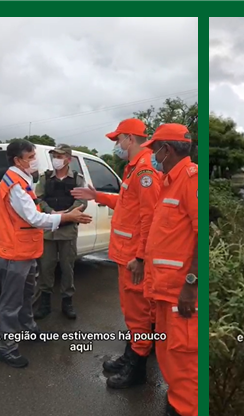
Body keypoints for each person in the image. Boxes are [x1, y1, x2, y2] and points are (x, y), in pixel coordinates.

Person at [71, 118, 161, 389]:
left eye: (118, 139)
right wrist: (96, 195)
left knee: (139, 314)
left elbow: (150, 216)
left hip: (134, 256)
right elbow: (125, 202)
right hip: (126, 254)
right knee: (133, 312)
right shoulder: (133, 168)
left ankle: (136, 370)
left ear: (130, 139)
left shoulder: (145, 171)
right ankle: (131, 355)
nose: (116, 145)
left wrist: (142, 257)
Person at [0, 140, 92, 368]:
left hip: (26, 249)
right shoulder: (15, 184)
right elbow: (34, 217)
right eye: (30, 157)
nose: (34, 160)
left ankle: (28, 329)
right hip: (14, 251)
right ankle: (6, 347)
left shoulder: (24, 178)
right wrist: (66, 217)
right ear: (18, 160)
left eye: (34, 156)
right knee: (11, 302)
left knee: (27, 295)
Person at [140, 123, 198, 416]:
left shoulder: (191, 180)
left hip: (181, 294)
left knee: (185, 361)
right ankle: (175, 412)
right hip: (164, 291)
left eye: (155, 149)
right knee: (168, 355)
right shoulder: (168, 182)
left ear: (168, 150)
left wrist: (191, 286)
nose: (153, 155)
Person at [33, 144, 87, 320]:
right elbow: (38, 198)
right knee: (46, 267)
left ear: (68, 159)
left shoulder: (77, 179)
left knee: (67, 267)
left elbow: (82, 201)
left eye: (60, 155)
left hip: (67, 231)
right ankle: (45, 303)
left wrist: (67, 214)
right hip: (48, 229)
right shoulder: (45, 178)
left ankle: (67, 302)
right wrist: (51, 212)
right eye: (55, 155)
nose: (56, 158)